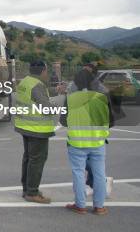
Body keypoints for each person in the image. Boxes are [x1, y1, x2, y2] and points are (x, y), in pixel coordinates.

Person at [61, 69, 114, 215]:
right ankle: (99, 207)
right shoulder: (103, 96)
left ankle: (80, 206)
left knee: (78, 173)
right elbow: (111, 121)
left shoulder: (71, 97)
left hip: (76, 142)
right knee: (99, 174)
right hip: (98, 142)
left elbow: (63, 121)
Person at [14, 60, 57, 204]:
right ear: (43, 71)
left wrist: (55, 91)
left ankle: (27, 189)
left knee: (28, 158)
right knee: (37, 160)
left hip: (25, 125)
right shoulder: (37, 85)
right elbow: (46, 108)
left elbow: (33, 99)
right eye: (46, 71)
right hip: (37, 128)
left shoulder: (26, 81)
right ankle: (32, 192)